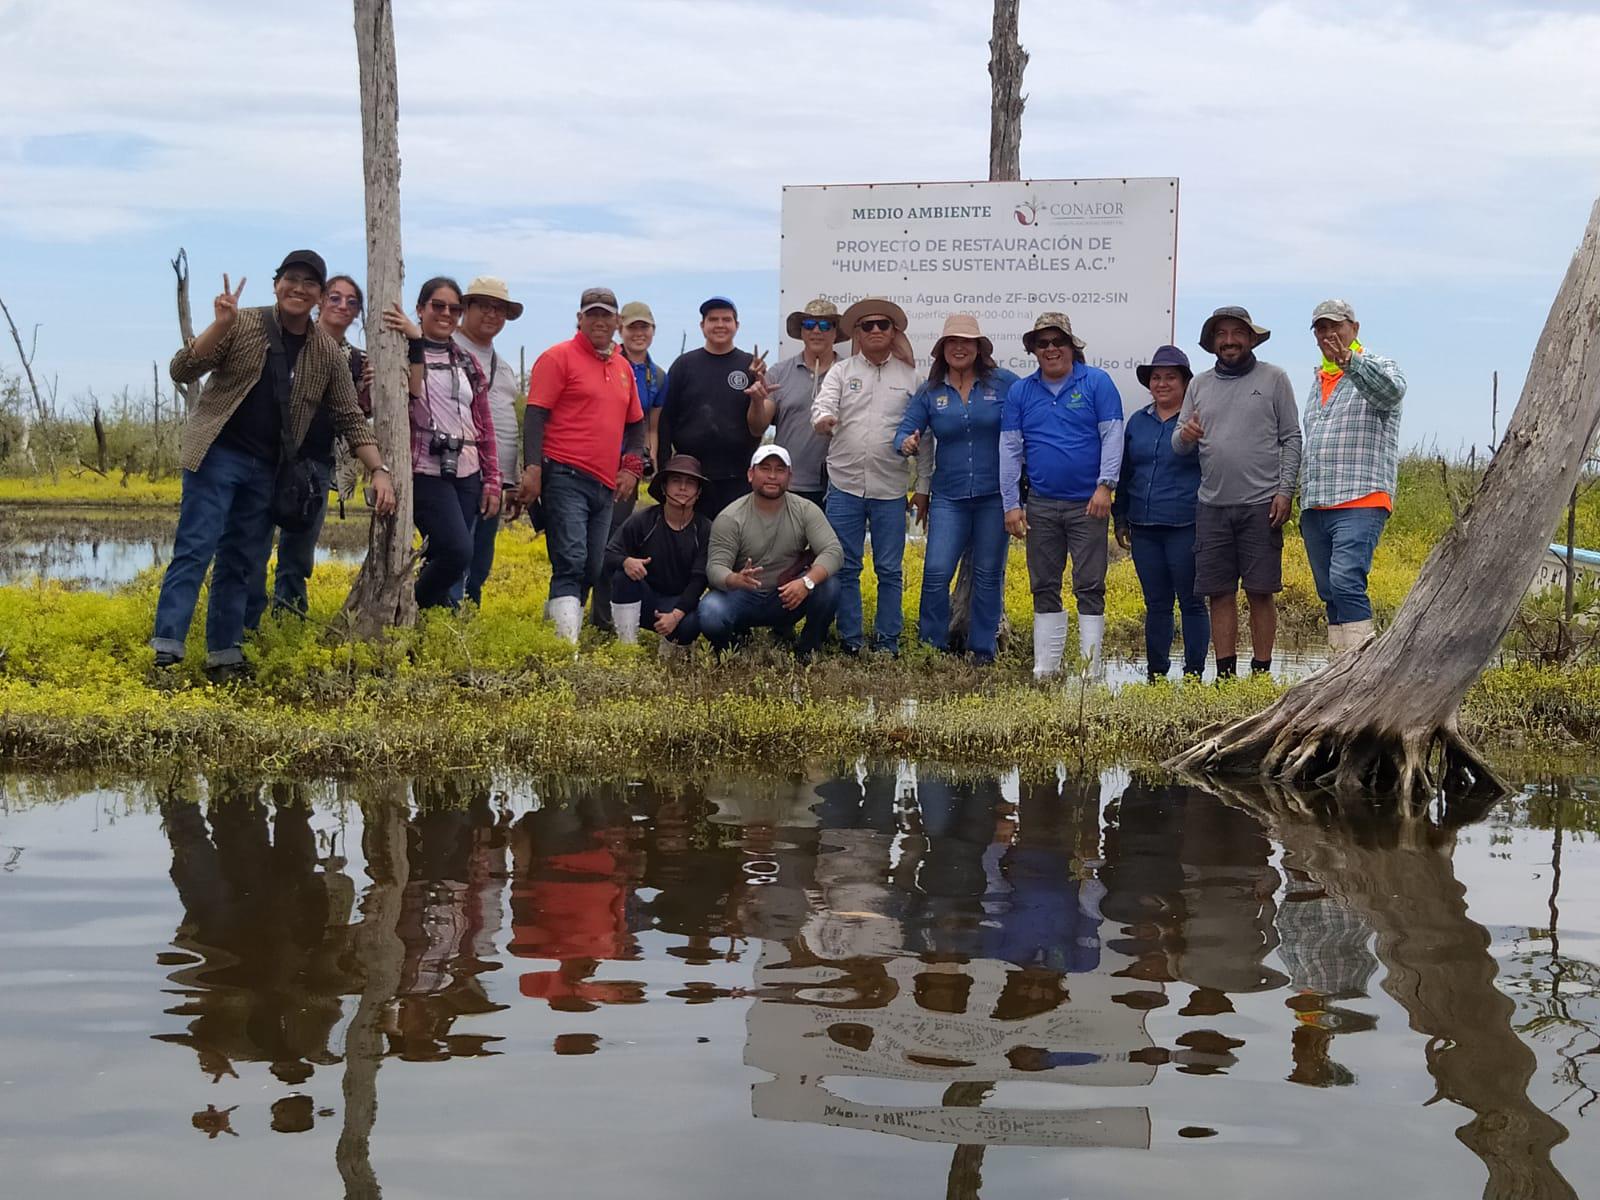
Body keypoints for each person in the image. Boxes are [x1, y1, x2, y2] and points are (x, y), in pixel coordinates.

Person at [154, 250, 395, 680]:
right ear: (276, 284)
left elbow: (349, 416)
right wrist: (218, 325)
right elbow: (182, 368)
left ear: (319, 296)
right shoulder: (242, 323)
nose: (298, 289)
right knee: (196, 548)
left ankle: (224, 654)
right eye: (291, 279)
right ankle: (167, 650)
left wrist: (378, 470)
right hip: (215, 455)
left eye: (309, 283)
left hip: (268, 468)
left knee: (240, 560)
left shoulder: (326, 351)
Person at [1173, 306, 1301, 679]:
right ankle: (1226, 674)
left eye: (1236, 334)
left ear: (1250, 338)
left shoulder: (1275, 378)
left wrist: (1285, 490)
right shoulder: (1198, 385)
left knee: (1261, 591)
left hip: (1262, 503)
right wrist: (1186, 435)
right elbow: (1177, 444)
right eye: (1221, 335)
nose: (1229, 341)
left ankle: (1261, 671)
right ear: (1213, 343)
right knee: (1219, 592)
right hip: (1212, 504)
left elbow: (1291, 437)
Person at [515, 287, 646, 643]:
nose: (600, 321)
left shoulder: (622, 368)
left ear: (617, 322)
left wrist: (632, 467)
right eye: (593, 314)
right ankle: (563, 649)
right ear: (580, 318)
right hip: (564, 473)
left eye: (607, 315)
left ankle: (555, 631)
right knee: (571, 560)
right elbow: (535, 415)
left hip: (604, 484)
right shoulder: (558, 357)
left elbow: (637, 424)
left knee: (593, 565)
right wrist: (533, 468)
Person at [1000, 313, 1123, 680]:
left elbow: (1112, 436)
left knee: (1090, 585)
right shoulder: (1021, 392)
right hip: (1040, 503)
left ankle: (1091, 669)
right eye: (1043, 343)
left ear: (1072, 347)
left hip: (1089, 503)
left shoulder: (1097, 383)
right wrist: (1011, 503)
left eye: (1059, 342)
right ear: (1034, 350)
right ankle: (1046, 667)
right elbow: (1009, 450)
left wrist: (1106, 485)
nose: (1051, 349)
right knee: (1044, 584)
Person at [246, 273, 370, 627]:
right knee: (252, 543)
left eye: (351, 301)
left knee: (297, 552)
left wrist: (370, 392)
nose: (342, 306)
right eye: (335, 297)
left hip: (315, 464)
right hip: (268, 456)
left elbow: (356, 418)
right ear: (319, 301)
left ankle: (289, 622)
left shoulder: (358, 361)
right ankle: (247, 622)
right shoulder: (289, 340)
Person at [894, 313, 1018, 663]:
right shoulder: (931, 391)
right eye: (952, 342)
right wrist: (906, 442)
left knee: (988, 574)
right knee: (935, 572)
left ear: (979, 348)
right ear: (942, 349)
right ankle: (931, 648)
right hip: (948, 498)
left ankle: (982, 650)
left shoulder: (1005, 384)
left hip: (995, 496)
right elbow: (903, 431)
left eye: (966, 342)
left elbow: (1032, 415)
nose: (959, 347)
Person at [811, 297, 924, 656]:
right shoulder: (842, 372)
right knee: (846, 568)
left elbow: (927, 439)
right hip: (844, 485)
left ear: (894, 332)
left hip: (891, 489)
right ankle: (851, 641)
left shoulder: (911, 378)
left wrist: (922, 488)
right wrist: (824, 419)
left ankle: (888, 644)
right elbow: (823, 404)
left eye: (883, 325)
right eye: (867, 325)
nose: (875, 330)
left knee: (890, 570)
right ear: (857, 333)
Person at [381, 277, 501, 612]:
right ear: (419, 310)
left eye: (454, 308)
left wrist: (492, 479)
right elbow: (411, 395)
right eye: (437, 306)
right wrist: (415, 341)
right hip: (424, 467)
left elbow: (484, 424)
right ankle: (405, 609)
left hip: (467, 468)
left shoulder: (466, 361)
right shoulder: (399, 355)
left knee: (446, 556)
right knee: (456, 550)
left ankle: (431, 626)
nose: (446, 313)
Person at [1299, 299, 1406, 656]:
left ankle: (1361, 669)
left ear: (1354, 329)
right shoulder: (1318, 381)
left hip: (1361, 498)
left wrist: (1351, 363)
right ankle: (1338, 669)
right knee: (1329, 589)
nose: (1329, 335)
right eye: (1321, 328)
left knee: (1346, 581)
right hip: (1317, 504)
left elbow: (1391, 391)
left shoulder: (1378, 365)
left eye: (1336, 326)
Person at [1113, 345, 1209, 680]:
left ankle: (1195, 674)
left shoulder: (1197, 422)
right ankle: (1157, 674)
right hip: (1143, 526)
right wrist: (1120, 517)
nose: (1162, 383)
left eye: (1171, 377)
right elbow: (1126, 473)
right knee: (1156, 604)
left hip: (1187, 524)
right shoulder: (1137, 422)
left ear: (1185, 383)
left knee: (1192, 602)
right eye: (1156, 377)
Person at [697, 445, 842, 661]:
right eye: (765, 469)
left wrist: (806, 582)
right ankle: (733, 648)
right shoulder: (730, 517)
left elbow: (833, 551)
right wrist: (735, 579)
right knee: (710, 611)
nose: (772, 476)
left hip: (786, 595)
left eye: (780, 470)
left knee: (830, 586)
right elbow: (714, 568)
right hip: (742, 596)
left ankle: (807, 649)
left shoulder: (806, 510)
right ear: (750, 474)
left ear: (789, 477)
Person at [656, 296, 774, 518]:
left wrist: (759, 389)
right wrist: (664, 469)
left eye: (726, 319)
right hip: (691, 475)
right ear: (702, 326)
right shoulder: (684, 365)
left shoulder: (751, 366)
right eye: (713, 319)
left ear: (736, 326)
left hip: (737, 476)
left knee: (734, 542)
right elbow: (666, 420)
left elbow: (759, 424)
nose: (720, 325)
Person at [591, 300, 666, 632]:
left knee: (614, 540)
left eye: (644, 327)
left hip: (630, 470)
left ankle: (606, 615)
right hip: (595, 464)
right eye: (632, 327)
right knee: (589, 542)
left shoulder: (657, 375)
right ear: (620, 329)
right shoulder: (606, 361)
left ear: (652, 332)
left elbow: (652, 427)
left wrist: (656, 469)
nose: (638, 333)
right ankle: (583, 613)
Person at [450, 276, 523, 607]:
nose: (492, 315)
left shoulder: (504, 368)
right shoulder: (444, 348)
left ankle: (466, 620)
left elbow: (506, 426)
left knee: (480, 558)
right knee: (454, 550)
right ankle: (443, 619)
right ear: (466, 307)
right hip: (455, 473)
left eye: (500, 309)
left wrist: (511, 480)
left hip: (495, 479)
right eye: (484, 306)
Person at [602, 454, 713, 654]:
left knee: (692, 623)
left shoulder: (705, 528)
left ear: (698, 492)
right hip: (645, 598)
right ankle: (627, 647)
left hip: (679, 603)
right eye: (676, 481)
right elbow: (609, 554)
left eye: (690, 483)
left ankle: (671, 645)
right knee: (623, 576)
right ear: (664, 487)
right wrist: (626, 561)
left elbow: (700, 580)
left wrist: (675, 616)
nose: (682, 488)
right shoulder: (643, 520)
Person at [770, 298, 847, 508]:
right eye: (809, 325)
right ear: (802, 332)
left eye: (824, 325)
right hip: (788, 483)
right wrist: (757, 401)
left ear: (835, 332)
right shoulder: (778, 372)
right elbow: (757, 426)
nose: (816, 331)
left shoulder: (850, 373)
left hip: (837, 486)